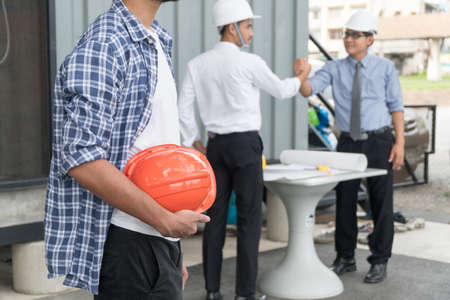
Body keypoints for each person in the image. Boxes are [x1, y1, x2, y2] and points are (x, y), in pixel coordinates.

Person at [44, 0, 210, 299]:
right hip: (129, 242)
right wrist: (164, 221)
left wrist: (171, 246)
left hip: (156, 239)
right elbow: (81, 157)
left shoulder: (152, 38)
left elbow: (152, 146)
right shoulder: (106, 44)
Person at [177, 1, 310, 299]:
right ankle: (245, 294)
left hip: (216, 146)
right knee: (250, 220)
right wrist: (301, 77)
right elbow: (281, 90)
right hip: (246, 146)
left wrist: (194, 141)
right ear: (231, 27)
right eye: (248, 26)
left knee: (214, 220)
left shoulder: (197, 64)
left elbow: (183, 107)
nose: (250, 33)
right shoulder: (250, 63)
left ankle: (212, 292)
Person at [300, 10, 405, 284]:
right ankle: (345, 257)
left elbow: (396, 108)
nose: (349, 40)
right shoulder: (335, 68)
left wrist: (400, 143)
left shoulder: (385, 68)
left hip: (379, 140)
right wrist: (301, 77)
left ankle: (379, 260)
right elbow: (309, 90)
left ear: (370, 39)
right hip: (348, 142)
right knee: (345, 200)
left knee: (381, 203)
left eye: (355, 35)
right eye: (347, 34)